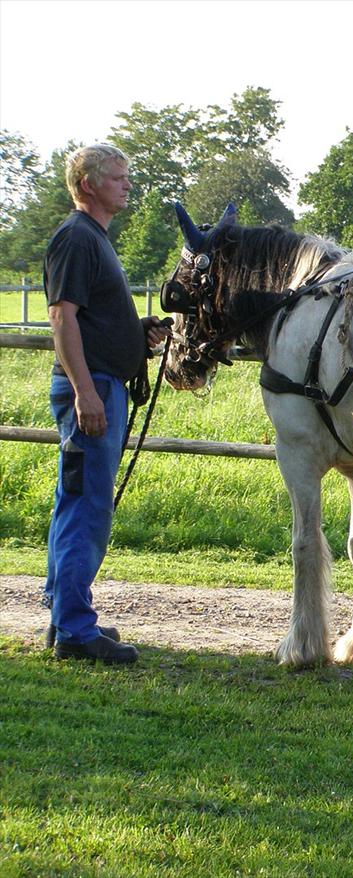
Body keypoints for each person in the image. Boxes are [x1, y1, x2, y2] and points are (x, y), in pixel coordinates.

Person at [41, 143, 170, 665]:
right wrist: (85, 391)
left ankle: (64, 618)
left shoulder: (93, 239)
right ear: (89, 184)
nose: (127, 185)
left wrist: (135, 334)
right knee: (88, 508)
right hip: (91, 391)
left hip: (100, 384)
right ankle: (73, 630)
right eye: (118, 177)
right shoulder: (76, 238)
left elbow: (88, 318)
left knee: (76, 503)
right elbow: (61, 318)